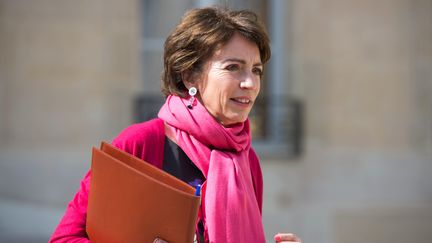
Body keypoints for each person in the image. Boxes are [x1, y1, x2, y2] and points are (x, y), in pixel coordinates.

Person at [49, 7, 301, 243]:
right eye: (233, 67)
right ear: (190, 75)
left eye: (256, 70)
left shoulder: (246, 160)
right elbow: (65, 238)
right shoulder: (143, 142)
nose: (250, 83)